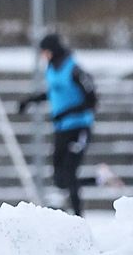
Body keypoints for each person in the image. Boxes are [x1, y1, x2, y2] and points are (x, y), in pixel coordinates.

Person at [18, 33, 122, 216]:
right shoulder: (51, 69)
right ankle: (100, 179)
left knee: (70, 172)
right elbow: (54, 93)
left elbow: (92, 100)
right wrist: (30, 101)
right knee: (60, 179)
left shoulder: (74, 70)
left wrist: (67, 112)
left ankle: (78, 218)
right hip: (61, 130)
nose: (43, 56)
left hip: (79, 128)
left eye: (45, 51)